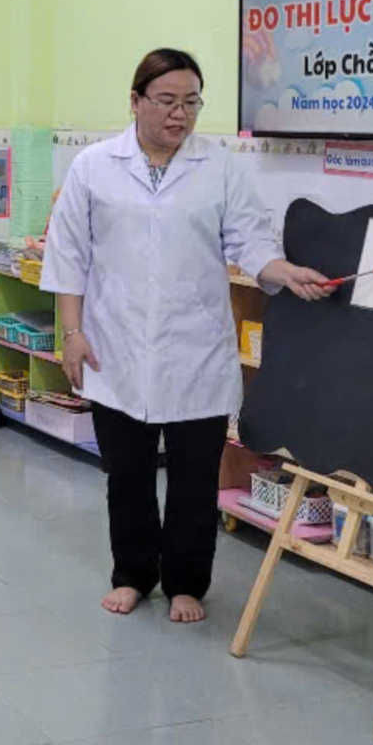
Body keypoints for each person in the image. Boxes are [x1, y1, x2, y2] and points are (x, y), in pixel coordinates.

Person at [43, 47, 331, 624]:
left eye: (192, 102)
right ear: (136, 101)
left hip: (195, 349)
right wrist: (72, 332)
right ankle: (133, 574)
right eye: (167, 101)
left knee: (195, 479)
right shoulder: (95, 166)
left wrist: (283, 272)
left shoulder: (218, 167)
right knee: (126, 475)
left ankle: (185, 582)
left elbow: (249, 241)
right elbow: (68, 253)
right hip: (114, 347)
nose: (180, 114)